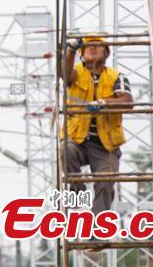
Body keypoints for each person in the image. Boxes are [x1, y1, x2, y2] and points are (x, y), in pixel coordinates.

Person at [61, 34, 133, 213]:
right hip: (77, 139)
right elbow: (64, 74)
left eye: (97, 46)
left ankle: (96, 226)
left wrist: (104, 103)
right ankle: (77, 191)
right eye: (88, 46)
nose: (92, 48)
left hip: (105, 144)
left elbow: (127, 101)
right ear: (82, 53)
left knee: (106, 181)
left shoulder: (116, 77)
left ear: (106, 53)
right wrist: (70, 50)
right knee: (65, 149)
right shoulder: (75, 73)